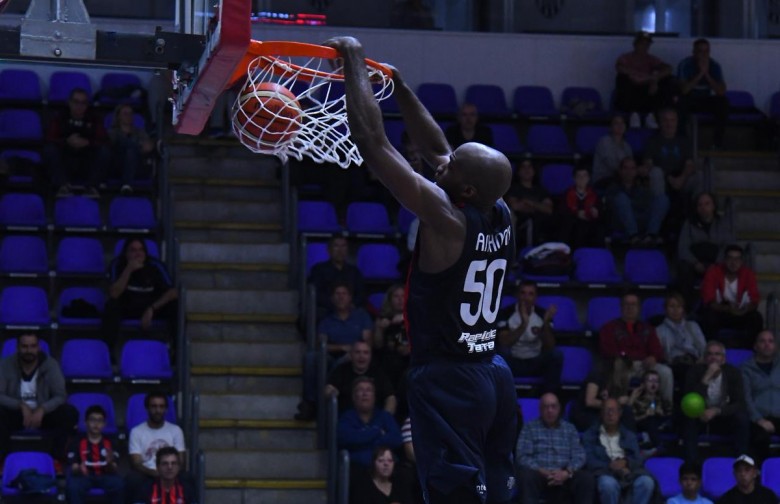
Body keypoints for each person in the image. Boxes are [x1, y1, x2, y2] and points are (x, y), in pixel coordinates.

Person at [328, 36, 518, 503]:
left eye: (452, 167)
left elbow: (374, 146)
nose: (444, 162)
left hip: (450, 377)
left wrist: (352, 56)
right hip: (494, 374)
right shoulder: (500, 209)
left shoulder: (448, 219)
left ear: (466, 190)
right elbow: (440, 149)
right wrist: (398, 85)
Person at [297, 281, 373, 421]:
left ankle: (323, 403)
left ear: (350, 297)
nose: (341, 297)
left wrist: (353, 351)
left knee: (346, 360)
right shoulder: (326, 320)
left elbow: (367, 341)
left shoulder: (361, 316)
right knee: (311, 357)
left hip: (354, 355)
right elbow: (320, 343)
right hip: (331, 355)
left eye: (344, 294)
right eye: (337, 294)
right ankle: (310, 402)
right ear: (332, 298)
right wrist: (343, 347)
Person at [0, 332, 79, 465]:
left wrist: (43, 409)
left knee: (69, 413)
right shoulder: (5, 365)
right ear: (18, 348)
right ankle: (3, 461)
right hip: (16, 413)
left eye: (32, 346)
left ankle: (57, 460)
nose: (28, 350)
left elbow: (60, 395)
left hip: (43, 415)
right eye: (24, 346)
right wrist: (20, 405)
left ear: (39, 347)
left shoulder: (50, 365)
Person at [516, 393, 594, 504]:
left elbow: (579, 455)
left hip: (565, 474)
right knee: (526, 477)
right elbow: (522, 456)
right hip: (539, 474)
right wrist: (542, 471)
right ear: (540, 409)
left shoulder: (569, 429)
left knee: (586, 479)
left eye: (553, 406)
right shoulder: (529, 428)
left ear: (559, 408)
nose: (550, 410)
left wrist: (566, 472)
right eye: (545, 407)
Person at [599, 292, 674, 404]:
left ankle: (666, 407)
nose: (630, 308)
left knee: (666, 372)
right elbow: (607, 350)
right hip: (623, 365)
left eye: (633, 304)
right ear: (621, 307)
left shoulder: (647, 328)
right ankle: (621, 408)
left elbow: (657, 350)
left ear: (639, 308)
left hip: (645, 365)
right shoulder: (609, 328)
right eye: (626, 304)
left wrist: (653, 357)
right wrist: (624, 357)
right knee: (620, 371)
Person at [681, 340, 749, 463]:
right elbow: (689, 400)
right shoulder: (694, 371)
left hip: (723, 415)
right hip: (700, 416)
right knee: (688, 420)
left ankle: (741, 463)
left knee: (742, 418)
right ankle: (692, 466)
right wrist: (706, 377)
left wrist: (718, 411)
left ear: (723, 359)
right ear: (705, 358)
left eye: (717, 354)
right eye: (710, 354)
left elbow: (739, 403)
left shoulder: (733, 372)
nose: (713, 357)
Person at [103, 238, 178, 348]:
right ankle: (108, 353)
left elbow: (173, 292)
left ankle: (176, 353)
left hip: (151, 307)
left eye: (141, 250)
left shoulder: (155, 265)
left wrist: (152, 308)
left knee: (174, 306)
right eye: (133, 250)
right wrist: (128, 270)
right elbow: (114, 294)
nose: (138, 254)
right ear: (126, 253)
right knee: (111, 306)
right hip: (127, 307)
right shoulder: (117, 264)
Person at [582, 398, 656, 504]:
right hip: (604, 472)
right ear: (601, 413)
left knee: (646, 482)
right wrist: (610, 466)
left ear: (620, 413)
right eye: (607, 410)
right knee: (608, 484)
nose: (610, 414)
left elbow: (638, 459)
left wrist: (626, 462)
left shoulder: (629, 435)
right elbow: (589, 460)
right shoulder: (590, 435)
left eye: (613, 410)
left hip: (628, 472)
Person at [497, 281, 563, 393]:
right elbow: (504, 342)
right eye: (523, 293)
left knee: (556, 355)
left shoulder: (542, 314)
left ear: (536, 297)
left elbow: (550, 345)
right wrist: (524, 324)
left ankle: (549, 398)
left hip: (535, 362)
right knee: (497, 354)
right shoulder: (505, 313)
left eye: (530, 294)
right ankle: (500, 400)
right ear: (517, 295)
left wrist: (546, 324)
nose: (526, 298)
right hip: (513, 362)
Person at [44, 87, 110, 198]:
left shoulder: (94, 119)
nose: (79, 106)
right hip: (65, 161)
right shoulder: (59, 117)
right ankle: (63, 187)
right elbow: (49, 138)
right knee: (49, 149)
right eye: (76, 102)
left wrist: (88, 142)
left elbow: (104, 141)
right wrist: (66, 141)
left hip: (86, 162)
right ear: (69, 102)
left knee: (105, 152)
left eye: (83, 103)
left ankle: (91, 187)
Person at [676, 192, 735, 309]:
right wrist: (695, 263)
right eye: (700, 205)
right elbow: (682, 248)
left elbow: (728, 246)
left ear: (713, 206)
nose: (703, 207)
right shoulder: (689, 224)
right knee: (683, 270)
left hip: (716, 263)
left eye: (707, 204)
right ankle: (687, 309)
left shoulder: (722, 224)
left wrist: (717, 264)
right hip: (694, 264)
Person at [699, 244, 763, 345]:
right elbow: (709, 301)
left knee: (756, 318)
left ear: (742, 261)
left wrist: (746, 309)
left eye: (737, 259)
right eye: (730, 258)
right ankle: (711, 349)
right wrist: (727, 308)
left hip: (741, 313)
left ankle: (750, 350)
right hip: (720, 311)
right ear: (724, 260)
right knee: (708, 317)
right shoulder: (713, 272)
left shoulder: (748, 274)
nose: (733, 263)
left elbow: (755, 301)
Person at [127, 392, 187, 499]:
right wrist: (155, 473)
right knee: (132, 480)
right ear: (147, 408)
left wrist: (168, 473)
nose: (158, 410)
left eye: (161, 406)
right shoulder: (136, 431)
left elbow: (181, 461)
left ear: (166, 409)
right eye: (153, 406)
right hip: (147, 474)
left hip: (170, 471)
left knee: (188, 478)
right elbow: (136, 463)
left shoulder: (176, 430)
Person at [337, 376, 403, 468]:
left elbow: (396, 439)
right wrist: (377, 432)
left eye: (369, 390)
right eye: (360, 390)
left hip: (384, 469)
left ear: (374, 396)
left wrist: (363, 440)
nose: (365, 394)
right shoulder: (346, 417)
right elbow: (345, 439)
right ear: (354, 396)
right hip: (356, 469)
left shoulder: (384, 416)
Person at [614, 31, 675, 128]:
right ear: (635, 44)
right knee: (622, 79)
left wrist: (654, 79)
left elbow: (668, 69)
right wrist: (638, 76)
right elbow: (620, 68)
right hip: (631, 91)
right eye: (642, 44)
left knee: (668, 80)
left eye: (647, 44)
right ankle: (633, 115)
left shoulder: (651, 59)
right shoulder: (626, 57)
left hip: (647, 91)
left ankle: (652, 115)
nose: (644, 46)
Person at [65, 405, 125, 504]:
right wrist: (79, 468)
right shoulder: (76, 441)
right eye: (92, 420)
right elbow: (73, 467)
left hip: (106, 475)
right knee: (73, 486)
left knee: (119, 484)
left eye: (100, 420)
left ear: (104, 424)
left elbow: (114, 468)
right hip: (83, 476)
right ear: (85, 422)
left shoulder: (111, 442)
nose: (96, 424)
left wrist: (110, 464)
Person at [676, 38, 728, 148]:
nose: (704, 55)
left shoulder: (714, 65)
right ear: (694, 52)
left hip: (705, 99)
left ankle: (717, 143)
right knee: (680, 103)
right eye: (700, 51)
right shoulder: (685, 64)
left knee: (723, 102)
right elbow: (684, 90)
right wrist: (700, 73)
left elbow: (721, 91)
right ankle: (682, 141)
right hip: (689, 99)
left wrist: (707, 75)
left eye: (706, 51)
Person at [606, 156, 670, 246]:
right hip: (622, 222)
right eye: (625, 168)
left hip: (640, 220)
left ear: (636, 171)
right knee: (621, 198)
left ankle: (651, 235)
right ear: (620, 171)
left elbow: (648, 206)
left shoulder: (642, 189)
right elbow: (613, 209)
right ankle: (633, 236)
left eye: (632, 168)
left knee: (663, 199)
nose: (629, 172)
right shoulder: (613, 188)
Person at [325, 340, 397, 415]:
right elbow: (328, 389)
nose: (361, 356)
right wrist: (331, 392)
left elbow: (391, 397)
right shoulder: (341, 370)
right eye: (357, 352)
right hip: (346, 420)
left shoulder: (378, 373)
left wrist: (385, 418)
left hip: (375, 421)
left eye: (365, 353)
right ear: (351, 355)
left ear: (371, 356)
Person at [740, 330, 780, 463]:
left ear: (775, 346)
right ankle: (762, 473)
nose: (767, 345)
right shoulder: (746, 368)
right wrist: (759, 420)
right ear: (755, 346)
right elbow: (746, 397)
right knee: (760, 439)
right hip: (758, 417)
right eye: (762, 341)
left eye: (770, 341)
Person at [570, 356, 635, 433]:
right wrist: (616, 403)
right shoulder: (598, 375)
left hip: (602, 412)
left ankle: (630, 441)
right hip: (586, 413)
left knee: (627, 411)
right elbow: (590, 401)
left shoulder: (617, 383)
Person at [308, 235, 365, 320]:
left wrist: (351, 305)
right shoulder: (319, 269)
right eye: (336, 246)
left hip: (350, 309)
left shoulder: (354, 271)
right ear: (329, 250)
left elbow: (361, 293)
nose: (340, 250)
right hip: (327, 310)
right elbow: (316, 294)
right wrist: (337, 305)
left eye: (343, 246)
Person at [655, 292, 707, 385]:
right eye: (672, 306)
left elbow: (703, 347)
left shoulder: (692, 326)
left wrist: (701, 359)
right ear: (666, 309)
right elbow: (662, 354)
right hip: (674, 364)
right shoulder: (659, 330)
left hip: (695, 361)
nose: (675, 310)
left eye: (679, 306)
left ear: (683, 309)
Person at [107, 103, 156, 195]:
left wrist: (149, 146)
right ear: (118, 117)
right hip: (117, 166)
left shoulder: (140, 132)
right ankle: (126, 184)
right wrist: (139, 146)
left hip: (137, 166)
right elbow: (111, 146)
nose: (129, 116)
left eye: (130, 113)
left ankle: (127, 185)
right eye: (125, 114)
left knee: (131, 151)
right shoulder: (112, 132)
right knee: (129, 147)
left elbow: (148, 146)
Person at [504, 159, 555, 245]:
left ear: (534, 171)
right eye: (523, 167)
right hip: (521, 222)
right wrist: (538, 206)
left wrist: (529, 203)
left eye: (529, 167)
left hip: (541, 221)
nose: (526, 170)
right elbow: (515, 206)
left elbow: (549, 209)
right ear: (518, 172)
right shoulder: (514, 189)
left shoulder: (541, 190)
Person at [372, 283, 411, 387]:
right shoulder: (383, 318)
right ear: (390, 299)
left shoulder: (415, 316)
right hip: (390, 360)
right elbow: (377, 345)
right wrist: (380, 329)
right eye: (396, 296)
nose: (400, 299)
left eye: (403, 296)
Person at [559, 165, 604, 248]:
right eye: (578, 176)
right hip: (573, 227)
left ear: (589, 178)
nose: (581, 179)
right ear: (574, 178)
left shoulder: (595, 195)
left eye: (584, 176)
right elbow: (562, 212)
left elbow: (601, 212)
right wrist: (576, 214)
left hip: (590, 226)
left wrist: (596, 213)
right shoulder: (567, 194)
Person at [628, 370, 672, 454]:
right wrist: (645, 415)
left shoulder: (663, 400)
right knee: (651, 419)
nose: (653, 384)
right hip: (643, 423)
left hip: (660, 424)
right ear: (643, 384)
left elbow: (669, 415)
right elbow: (632, 420)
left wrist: (661, 413)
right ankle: (657, 446)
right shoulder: (638, 401)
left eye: (656, 381)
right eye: (650, 381)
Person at [592, 114, 634, 191]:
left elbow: (630, 165)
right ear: (610, 127)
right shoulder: (604, 142)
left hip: (622, 178)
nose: (620, 125)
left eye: (622, 123)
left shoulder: (627, 146)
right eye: (616, 123)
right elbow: (613, 165)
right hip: (604, 179)